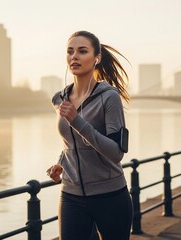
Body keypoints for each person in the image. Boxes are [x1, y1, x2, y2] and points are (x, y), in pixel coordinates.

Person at [46, 30, 132, 240]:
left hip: (110, 196)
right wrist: (61, 162)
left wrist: (77, 120)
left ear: (97, 58)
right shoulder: (60, 99)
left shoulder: (109, 98)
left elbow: (115, 152)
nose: (74, 56)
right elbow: (70, 142)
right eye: (70, 51)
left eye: (82, 51)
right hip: (71, 196)